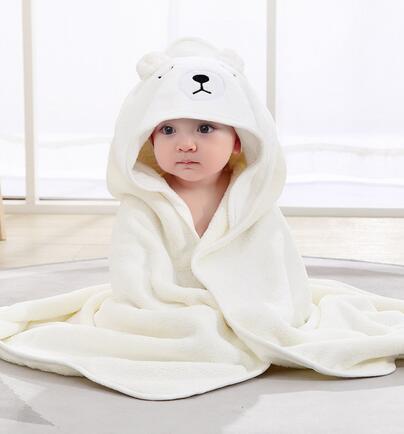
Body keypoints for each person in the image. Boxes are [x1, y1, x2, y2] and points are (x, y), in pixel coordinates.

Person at [149, 118, 241, 238]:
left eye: (204, 129)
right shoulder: (145, 197)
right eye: (168, 130)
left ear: (237, 140)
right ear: (152, 141)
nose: (185, 146)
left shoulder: (253, 196)